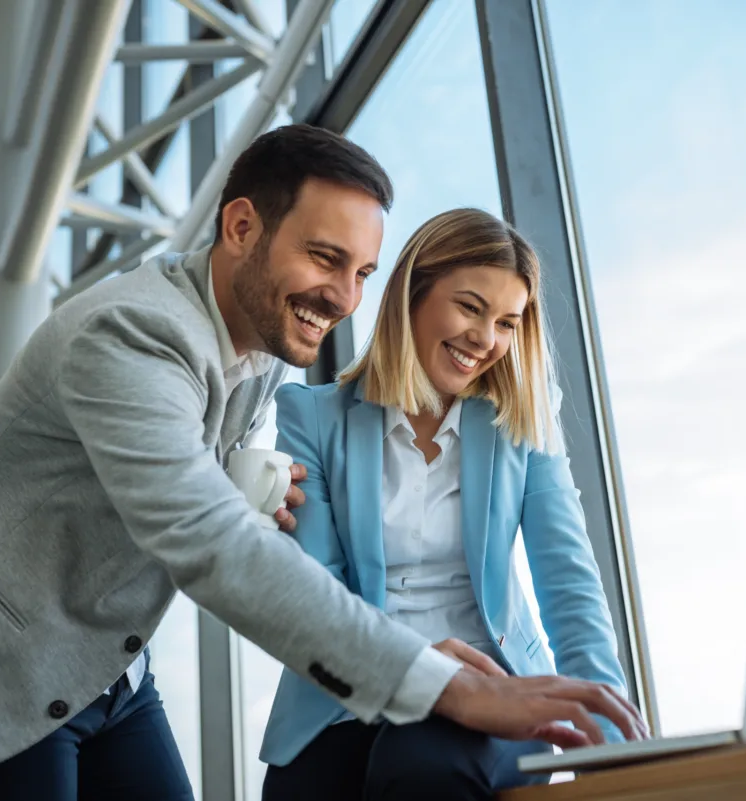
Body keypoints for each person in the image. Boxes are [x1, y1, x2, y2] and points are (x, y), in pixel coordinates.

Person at [0, 126, 644, 801]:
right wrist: (454, 688)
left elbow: (198, 486)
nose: (343, 296)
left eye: (362, 273)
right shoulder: (132, 333)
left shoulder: (267, 339)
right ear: (241, 226)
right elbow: (213, 545)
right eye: (325, 257)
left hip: (108, 660)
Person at [260, 208, 634, 800]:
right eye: (470, 308)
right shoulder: (313, 416)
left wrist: (612, 741)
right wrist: (409, 666)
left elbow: (569, 581)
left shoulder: (523, 420)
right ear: (413, 294)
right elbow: (318, 588)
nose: (486, 341)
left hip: (494, 688)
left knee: (423, 765)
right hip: (347, 692)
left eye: (508, 323)